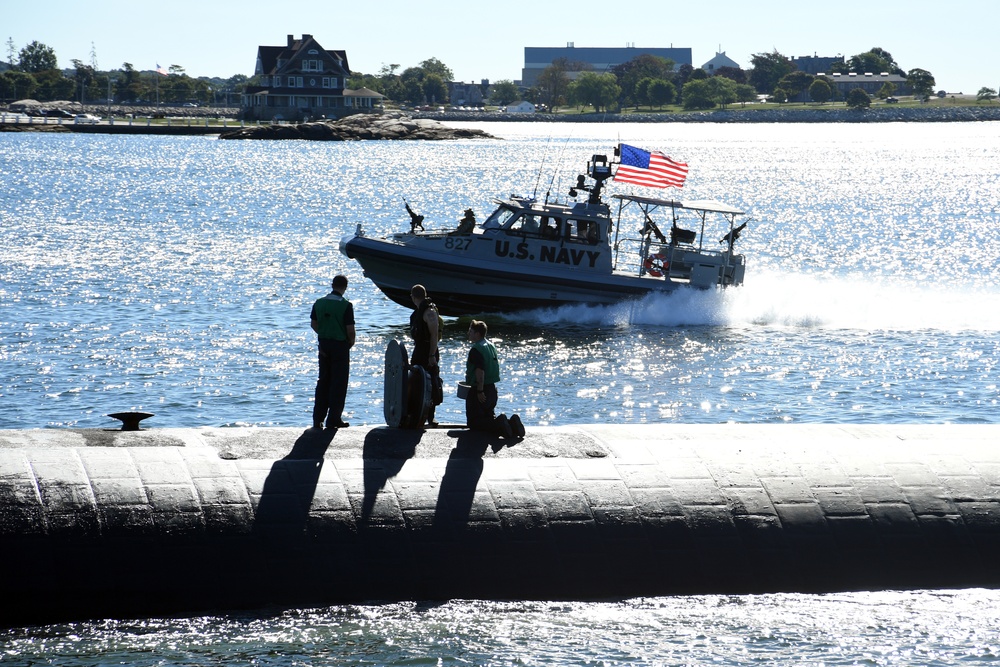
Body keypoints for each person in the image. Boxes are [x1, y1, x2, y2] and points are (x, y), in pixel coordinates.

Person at [464, 320, 525, 439]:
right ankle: (512, 423)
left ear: (477, 334)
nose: (468, 333)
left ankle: (501, 423)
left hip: (481, 390)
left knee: (474, 422)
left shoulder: (476, 349)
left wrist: (479, 391)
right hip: (492, 389)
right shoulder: (490, 346)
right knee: (487, 417)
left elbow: (480, 372)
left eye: (470, 331)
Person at [310, 275, 355, 429]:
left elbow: (314, 324)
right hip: (340, 346)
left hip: (323, 344)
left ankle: (317, 419)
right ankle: (334, 419)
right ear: (345, 287)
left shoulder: (319, 303)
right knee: (339, 382)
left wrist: (323, 333)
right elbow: (350, 330)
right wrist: (351, 342)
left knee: (323, 380)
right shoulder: (346, 305)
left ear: (332, 285)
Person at [409, 284, 442, 427]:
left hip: (429, 350)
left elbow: (434, 335)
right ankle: (416, 413)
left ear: (413, 297)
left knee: (432, 382)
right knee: (416, 380)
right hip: (419, 349)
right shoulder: (417, 312)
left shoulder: (429, 312)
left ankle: (431, 416)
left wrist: (432, 355)